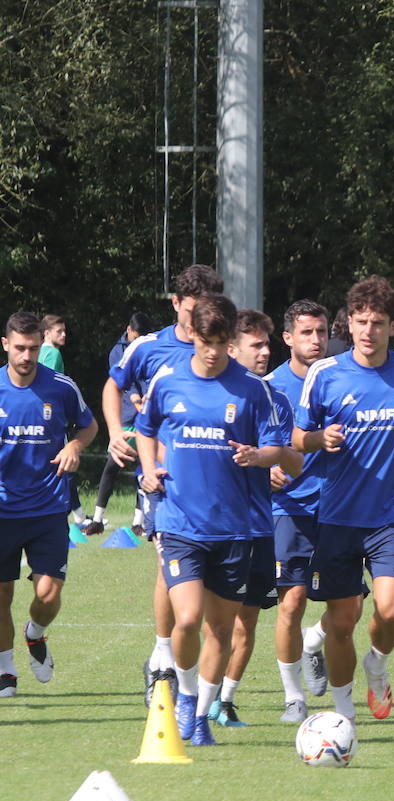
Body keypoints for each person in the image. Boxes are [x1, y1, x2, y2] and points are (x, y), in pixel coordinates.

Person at [135, 294, 288, 745]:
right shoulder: (168, 380)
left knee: (220, 628)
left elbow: (281, 449)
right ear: (194, 337)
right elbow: (145, 429)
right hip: (180, 522)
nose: (213, 351)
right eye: (206, 341)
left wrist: (259, 455)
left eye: (222, 342)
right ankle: (183, 696)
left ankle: (200, 716)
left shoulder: (252, 389)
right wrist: (147, 470)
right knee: (187, 619)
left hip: (236, 528)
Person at [294, 276, 394, 721]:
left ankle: (377, 662)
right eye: (360, 321)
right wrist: (321, 437)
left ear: (393, 326)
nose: (368, 330)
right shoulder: (325, 374)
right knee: (340, 622)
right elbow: (298, 439)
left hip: (390, 514)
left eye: (378, 322)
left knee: (391, 609)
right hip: (336, 516)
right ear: (349, 323)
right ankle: (343, 715)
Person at [105, 264, 224, 705]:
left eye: (207, 310)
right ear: (175, 304)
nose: (198, 320)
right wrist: (118, 432)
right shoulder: (148, 348)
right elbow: (113, 386)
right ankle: (162, 656)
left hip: (215, 482)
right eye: (192, 310)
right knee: (166, 563)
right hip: (162, 480)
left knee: (206, 584)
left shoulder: (220, 347)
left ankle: (189, 662)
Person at [205, 309, 305, 727]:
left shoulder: (275, 398)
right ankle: (176, 684)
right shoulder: (205, 393)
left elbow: (294, 460)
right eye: (256, 344)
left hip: (258, 525)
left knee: (246, 622)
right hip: (207, 525)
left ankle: (222, 702)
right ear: (231, 348)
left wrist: (275, 461)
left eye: (267, 344)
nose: (266, 352)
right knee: (204, 622)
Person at [0, 312, 98, 698]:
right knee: (1, 596)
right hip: (2, 511)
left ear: (42, 346)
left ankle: (35, 634)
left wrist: (74, 445)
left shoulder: (60, 387)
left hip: (47, 509)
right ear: (5, 344)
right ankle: (6, 670)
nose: (27, 356)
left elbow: (89, 426)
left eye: (34, 348)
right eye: (20, 348)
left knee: (48, 594)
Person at [264, 299, 334, 722]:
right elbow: (254, 440)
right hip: (288, 508)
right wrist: (269, 466)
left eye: (321, 332)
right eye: (306, 332)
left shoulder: (342, 377)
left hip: (339, 507)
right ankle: (294, 697)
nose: (315, 340)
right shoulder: (269, 387)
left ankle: (315, 642)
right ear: (287, 338)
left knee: (353, 606)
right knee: (291, 603)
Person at [85, 311, 156, 536]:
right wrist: (136, 397)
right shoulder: (118, 350)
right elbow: (124, 381)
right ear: (129, 330)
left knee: (144, 467)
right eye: (138, 336)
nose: (141, 340)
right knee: (112, 465)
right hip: (126, 417)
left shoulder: (151, 347)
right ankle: (97, 519)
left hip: (146, 415)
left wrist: (148, 399)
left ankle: (139, 521)